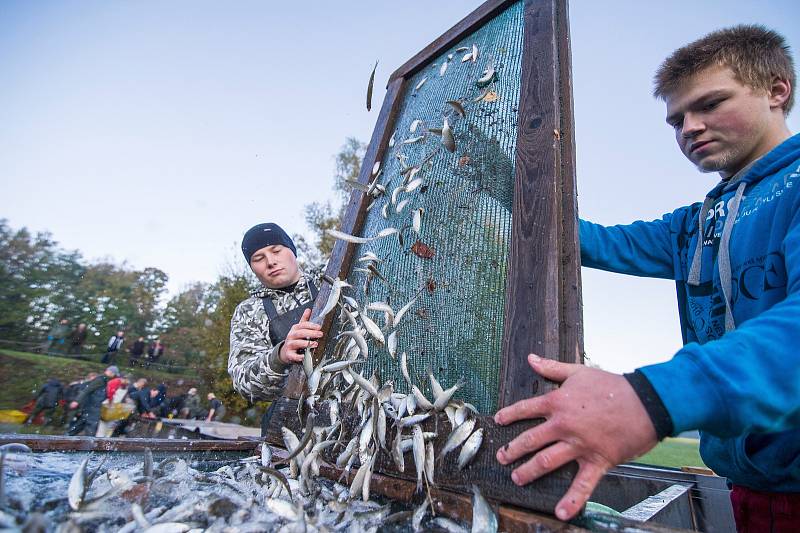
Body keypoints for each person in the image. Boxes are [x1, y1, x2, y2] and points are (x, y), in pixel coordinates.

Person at [494, 25, 799, 530]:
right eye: (676, 119)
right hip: (751, 488)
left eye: (710, 104)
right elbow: (585, 241)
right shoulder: (693, 225)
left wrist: (651, 399)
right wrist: (500, 179)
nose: (690, 129)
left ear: (776, 90)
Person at [227, 223, 322, 436]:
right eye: (258, 258)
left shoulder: (332, 279)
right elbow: (243, 382)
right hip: (294, 425)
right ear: (252, 268)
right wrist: (279, 356)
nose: (271, 262)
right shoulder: (249, 311)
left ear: (292, 252)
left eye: (276, 251)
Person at [68, 366, 119, 436]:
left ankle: (61, 441)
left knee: (76, 429)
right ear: (111, 372)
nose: (114, 376)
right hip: (93, 409)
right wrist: (76, 401)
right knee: (90, 431)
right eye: (114, 374)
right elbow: (87, 390)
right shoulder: (100, 380)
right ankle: (89, 445)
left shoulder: (105, 381)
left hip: (92, 409)